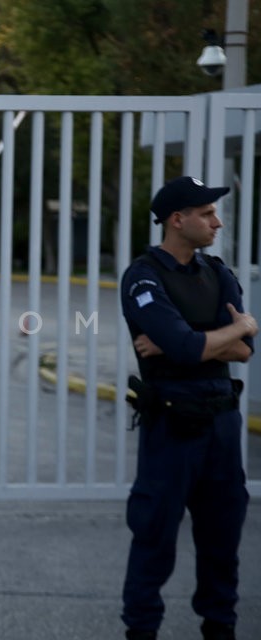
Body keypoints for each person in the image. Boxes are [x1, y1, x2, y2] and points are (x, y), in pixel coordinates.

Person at [120, 176, 256, 640]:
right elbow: (190, 345)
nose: (217, 222)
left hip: (221, 425)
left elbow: (244, 352)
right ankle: (141, 631)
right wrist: (221, 335)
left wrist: (194, 344)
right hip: (172, 427)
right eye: (207, 213)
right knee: (154, 539)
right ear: (178, 220)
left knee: (222, 542)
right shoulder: (143, 276)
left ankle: (220, 629)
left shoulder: (217, 273)